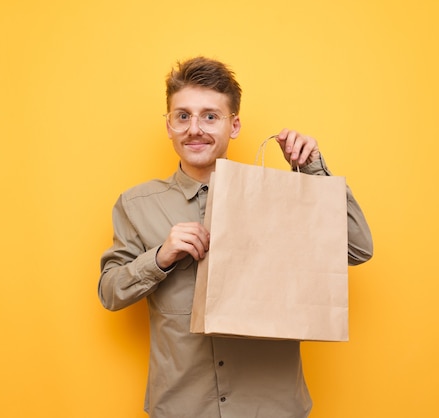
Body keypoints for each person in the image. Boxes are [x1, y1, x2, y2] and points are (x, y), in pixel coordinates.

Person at [98, 56, 373, 418]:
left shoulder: (281, 196)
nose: (194, 128)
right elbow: (109, 292)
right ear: (168, 125)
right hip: (182, 407)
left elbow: (357, 249)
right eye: (182, 116)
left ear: (235, 125)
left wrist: (313, 170)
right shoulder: (136, 204)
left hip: (272, 407)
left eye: (210, 116)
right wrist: (159, 257)